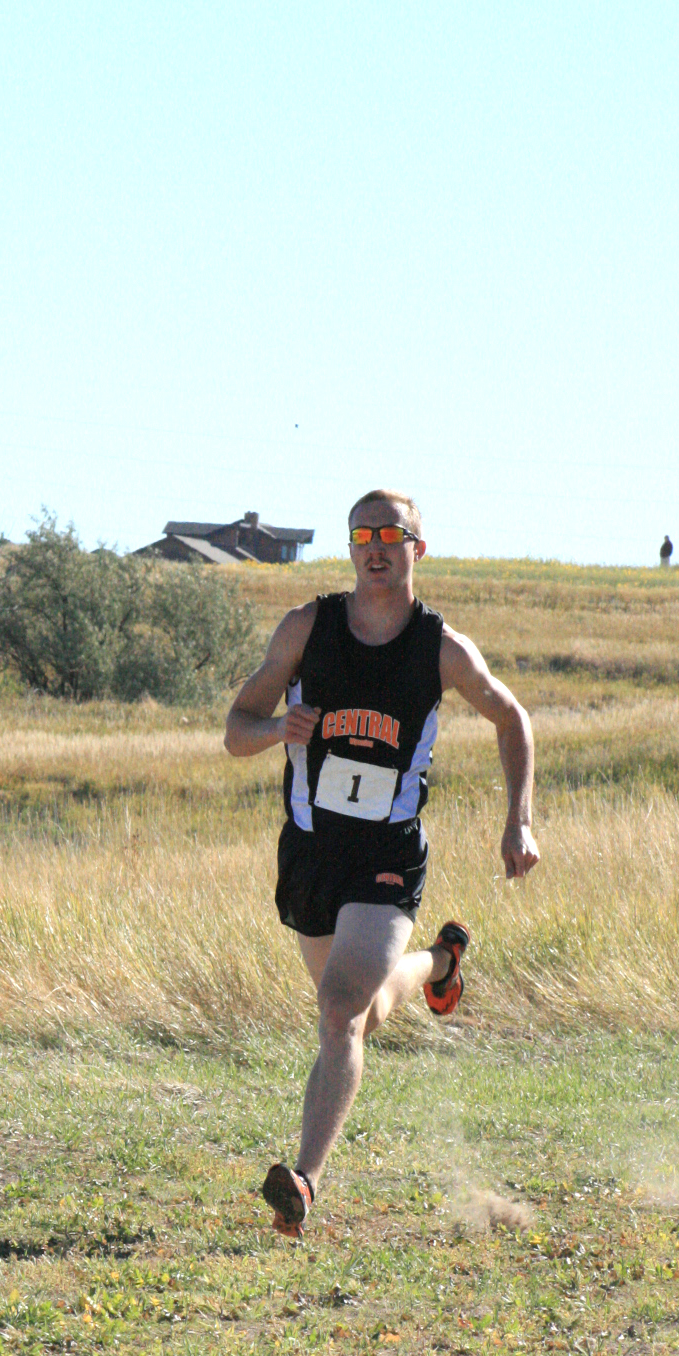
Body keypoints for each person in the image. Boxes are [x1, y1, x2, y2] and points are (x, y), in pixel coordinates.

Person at [224, 488, 540, 1239]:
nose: (373, 546)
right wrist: (276, 729)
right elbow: (235, 730)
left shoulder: (441, 648)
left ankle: (303, 1179)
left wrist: (518, 820)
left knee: (338, 1011)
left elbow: (512, 716)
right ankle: (440, 963)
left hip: (387, 855)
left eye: (389, 535)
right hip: (309, 853)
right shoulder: (307, 626)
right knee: (357, 1016)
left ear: (415, 550)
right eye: (360, 534)